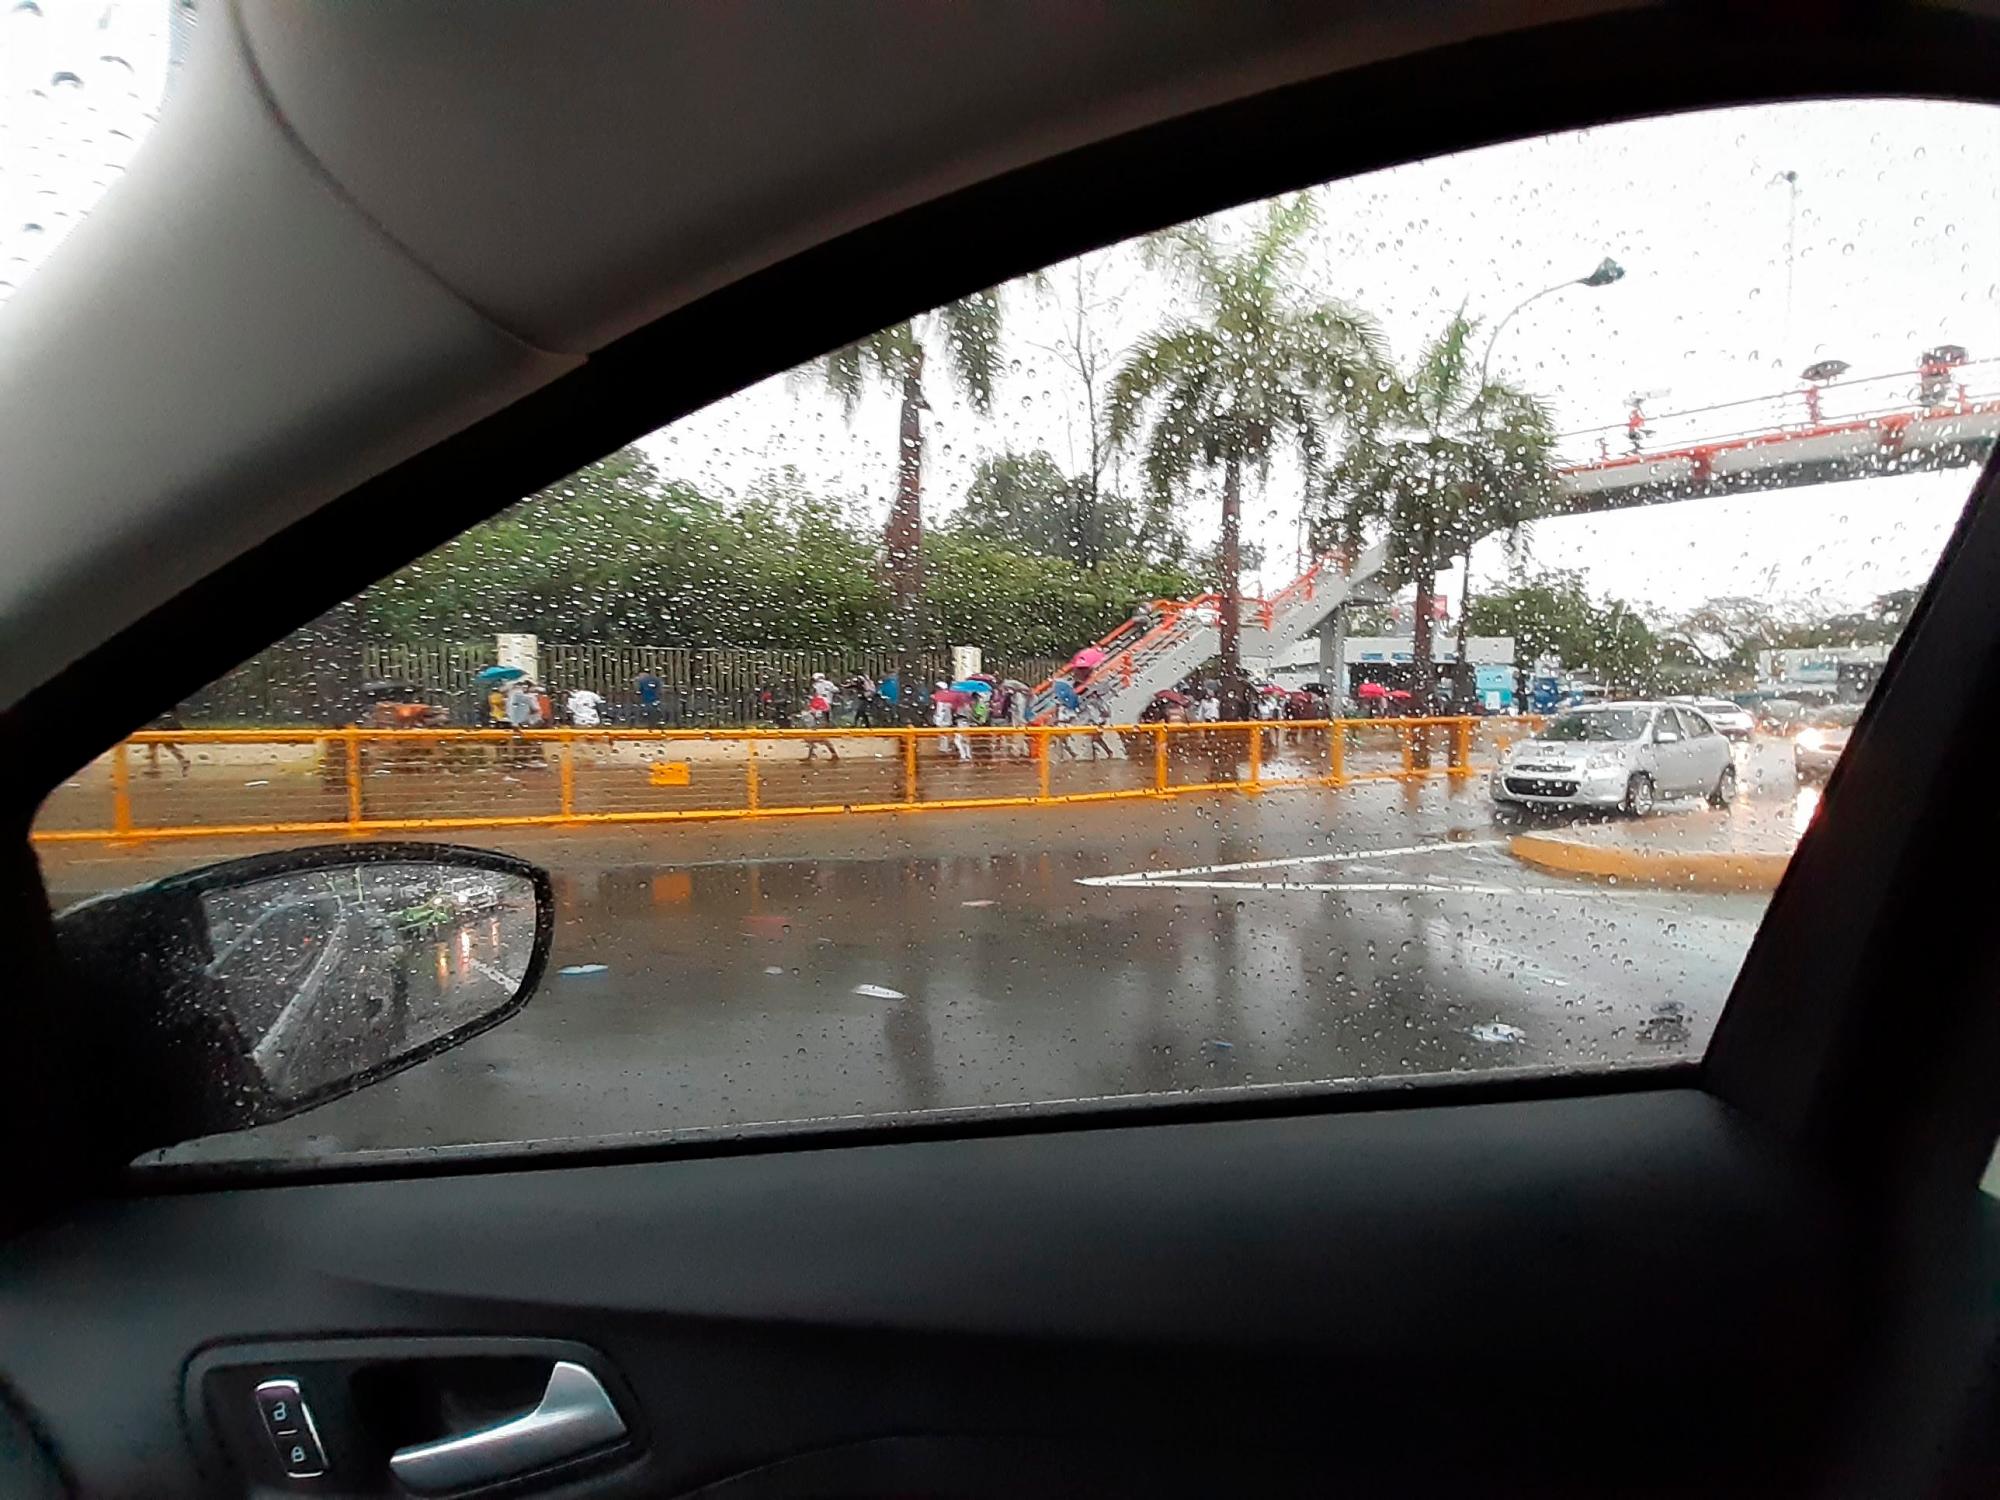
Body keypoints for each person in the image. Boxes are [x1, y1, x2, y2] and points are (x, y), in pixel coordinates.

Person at [801, 675, 840, 762]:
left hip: (820, 722)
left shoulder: (819, 699)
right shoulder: (815, 699)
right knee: (812, 739)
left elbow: (823, 710)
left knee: (821, 739)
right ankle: (812, 755)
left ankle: (833, 754)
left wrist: (815, 713)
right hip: (816, 722)